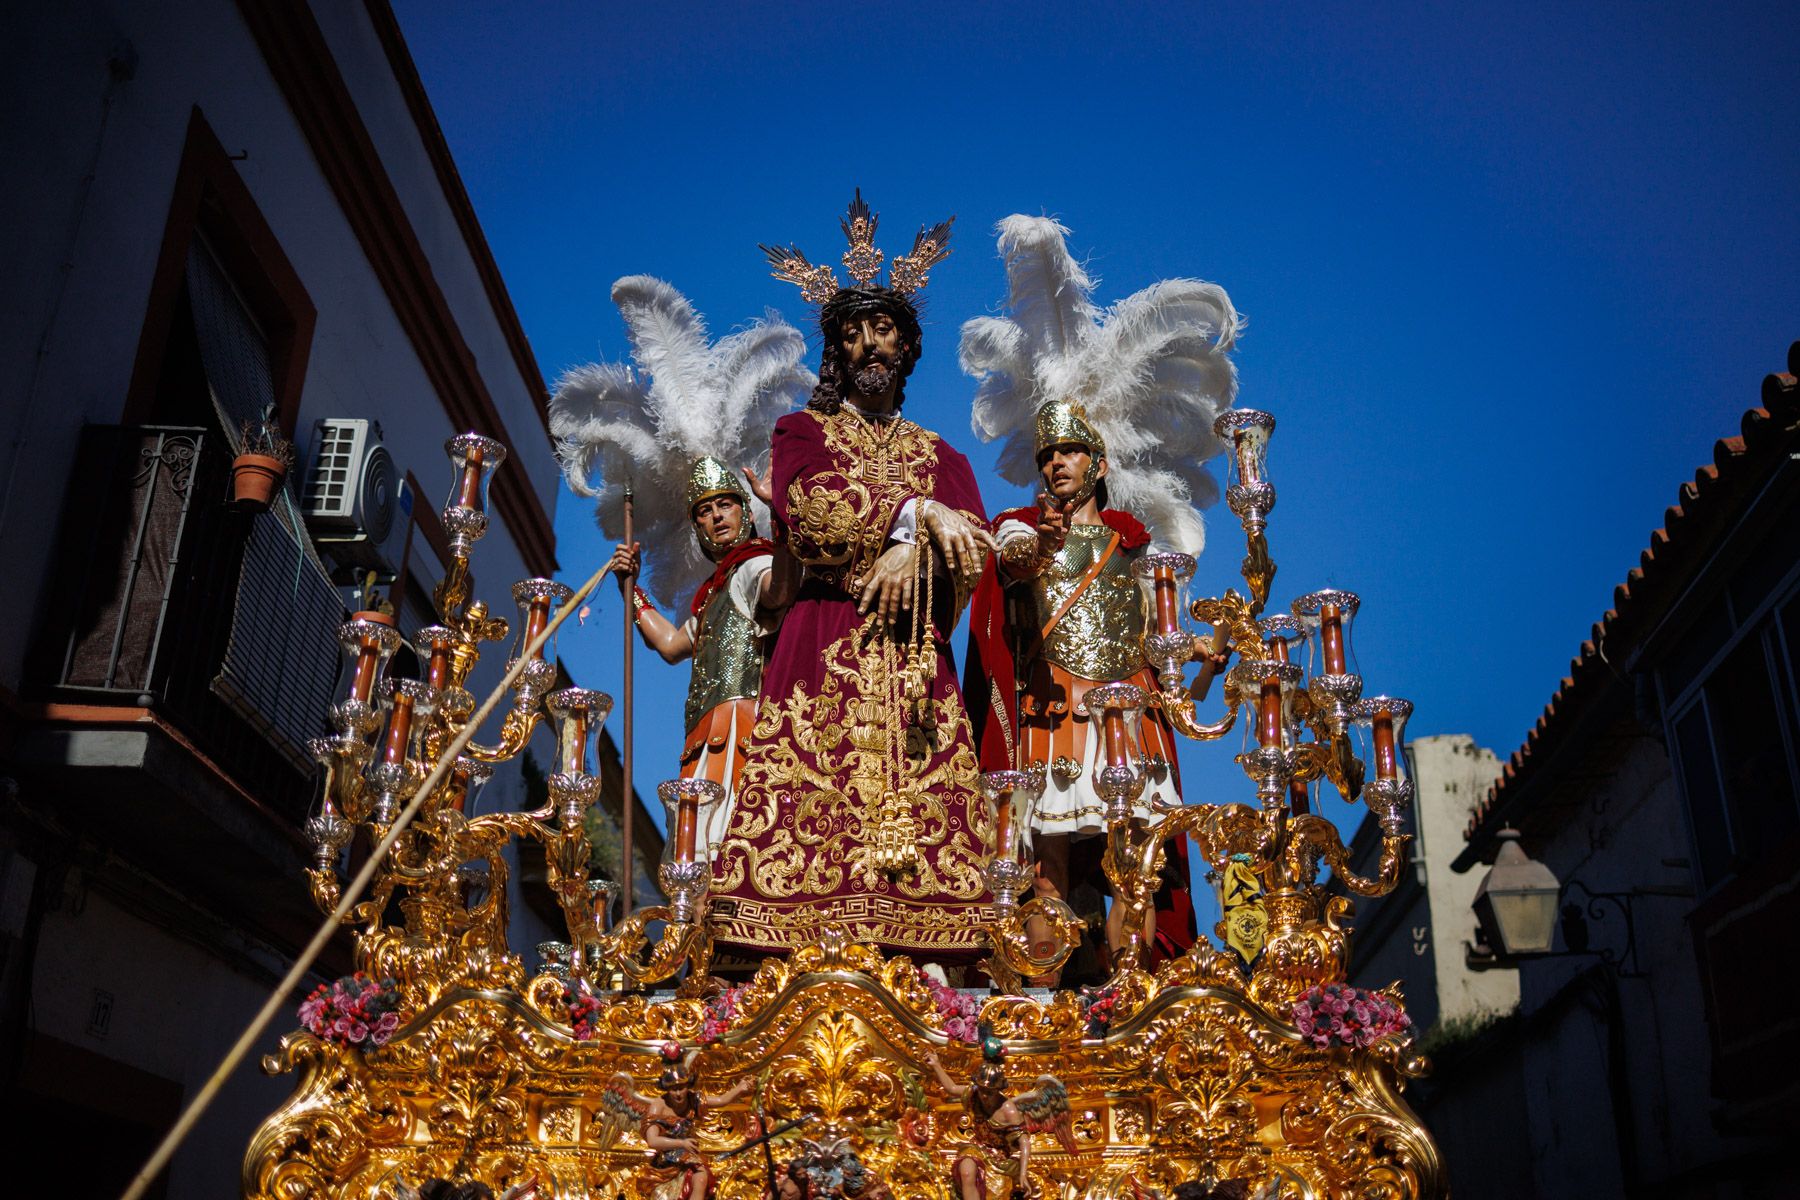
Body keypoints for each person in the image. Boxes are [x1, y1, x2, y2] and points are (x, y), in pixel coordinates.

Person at [710, 192, 997, 958]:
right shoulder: (800, 431)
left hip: (912, 666)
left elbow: (969, 546)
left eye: (885, 331)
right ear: (838, 351)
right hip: (822, 645)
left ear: (906, 347)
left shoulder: (947, 456)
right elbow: (809, 511)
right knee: (810, 842)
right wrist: (910, 518)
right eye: (854, 335)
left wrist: (923, 544)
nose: (871, 346)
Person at [967, 400, 1203, 979]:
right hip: (1055, 706)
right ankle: (1043, 1001)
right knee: (1046, 860)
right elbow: (1011, 566)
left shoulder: (1133, 548)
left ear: (1097, 464)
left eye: (1068, 452)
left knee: (1134, 859)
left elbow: (1154, 628)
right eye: (1046, 456)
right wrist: (1038, 548)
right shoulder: (1020, 528)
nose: (1055, 464)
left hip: (1129, 709)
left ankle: (1132, 992)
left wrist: (1194, 649)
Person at [611, 456, 789, 851]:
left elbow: (777, 588)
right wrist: (631, 590)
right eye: (705, 512)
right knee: (695, 851)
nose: (717, 517)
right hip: (704, 730)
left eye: (726, 505)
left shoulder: (752, 564)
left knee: (720, 841)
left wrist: (782, 513)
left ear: (745, 510)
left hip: (739, 722)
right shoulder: (714, 593)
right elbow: (672, 645)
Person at [600, 1041, 755, 1200]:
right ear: (666, 1089)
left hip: (689, 1156)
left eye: (682, 1087)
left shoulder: (694, 1099)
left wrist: (740, 1088)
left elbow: (721, 1100)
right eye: (673, 1089)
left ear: (688, 1085)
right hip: (665, 1163)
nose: (679, 1093)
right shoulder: (657, 1106)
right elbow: (653, 1141)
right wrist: (681, 1143)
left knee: (701, 1178)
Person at [924, 1043, 1074, 1200]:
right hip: (977, 1147)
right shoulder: (975, 1093)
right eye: (981, 1090)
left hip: (1000, 1159)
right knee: (966, 1171)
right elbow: (952, 1088)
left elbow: (1024, 1141)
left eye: (989, 1093)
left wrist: (1023, 1174)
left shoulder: (1008, 1110)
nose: (984, 1096)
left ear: (998, 1089)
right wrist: (936, 1065)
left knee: (996, 1194)